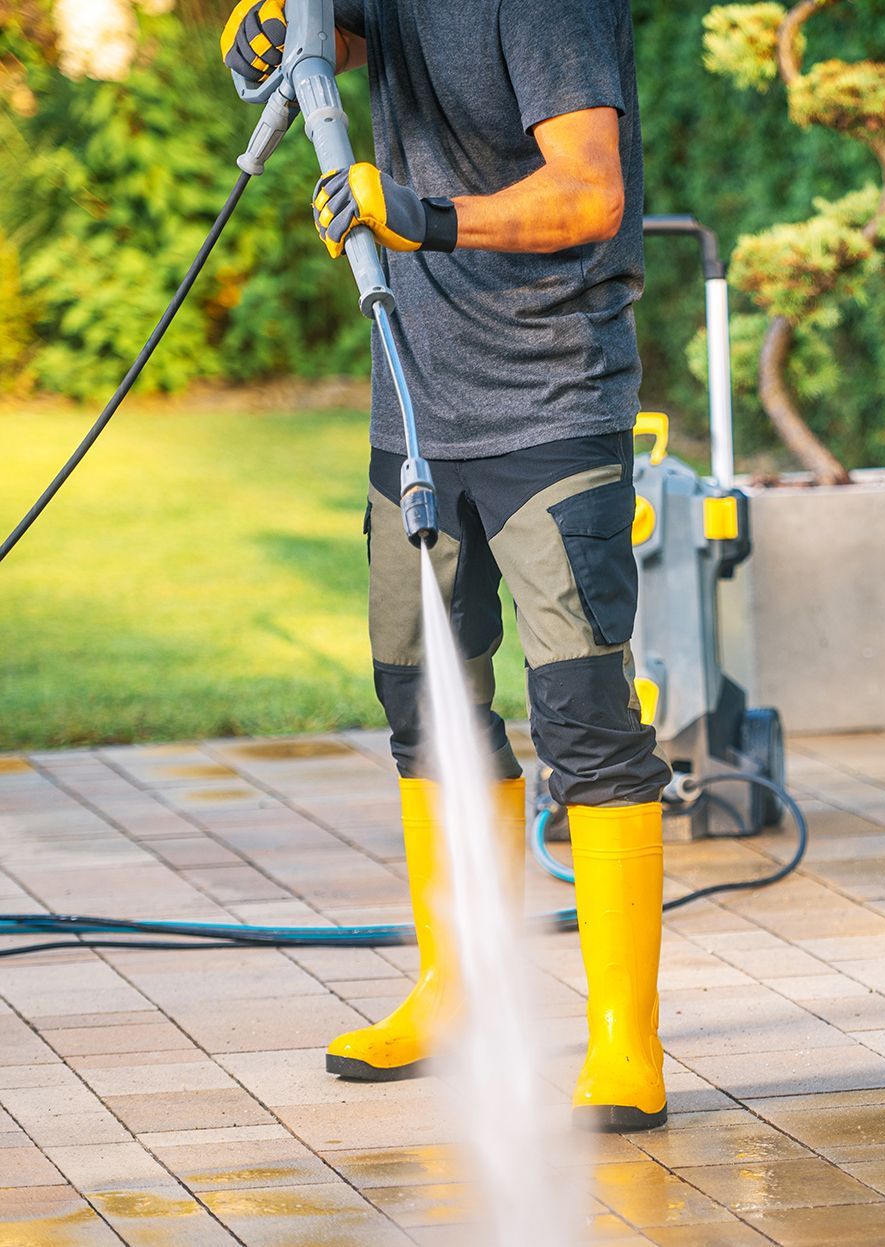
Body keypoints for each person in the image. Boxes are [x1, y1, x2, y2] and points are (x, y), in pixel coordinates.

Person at [220, 0, 673, 1132]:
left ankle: (626, 1038)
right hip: (416, 394)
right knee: (427, 708)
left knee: (583, 717)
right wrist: (276, 30)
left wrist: (417, 213)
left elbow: (591, 188)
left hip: (547, 399)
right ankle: (457, 988)